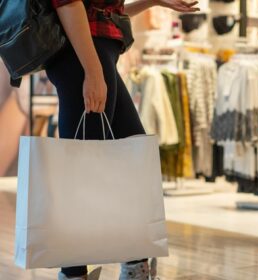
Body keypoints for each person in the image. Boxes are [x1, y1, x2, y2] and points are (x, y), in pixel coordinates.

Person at [46, 0, 199, 279]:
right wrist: (93, 72)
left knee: (133, 161)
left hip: (94, 54)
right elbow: (68, 3)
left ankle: (133, 265)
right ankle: (74, 272)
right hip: (82, 56)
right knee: (83, 173)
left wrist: (152, 1)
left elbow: (105, 13)